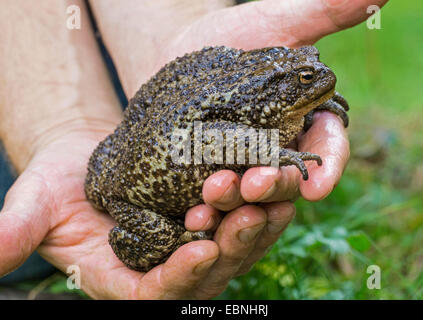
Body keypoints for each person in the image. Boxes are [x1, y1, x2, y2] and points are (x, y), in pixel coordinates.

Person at [0, 0, 387, 299]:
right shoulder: (251, 112)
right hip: (137, 196)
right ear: (276, 91)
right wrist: (59, 128)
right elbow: (208, 138)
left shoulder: (262, 95)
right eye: (304, 79)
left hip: (134, 137)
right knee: (35, 263)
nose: (320, 78)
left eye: (312, 71)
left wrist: (314, 99)